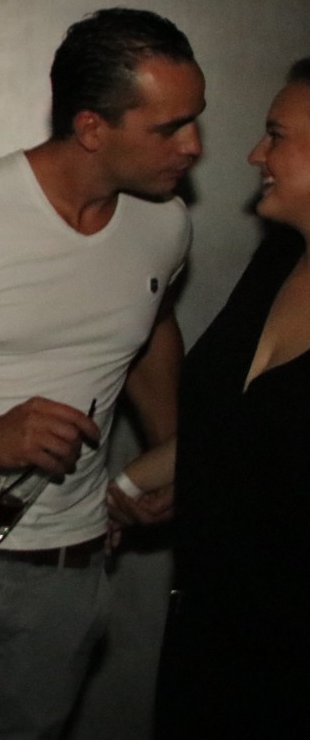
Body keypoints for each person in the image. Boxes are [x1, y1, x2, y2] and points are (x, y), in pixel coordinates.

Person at [0, 9, 202, 740]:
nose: (194, 146)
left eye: (195, 120)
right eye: (169, 128)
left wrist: (170, 453)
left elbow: (149, 327)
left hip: (68, 573)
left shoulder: (166, 224)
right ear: (91, 128)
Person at [132, 57, 310, 738]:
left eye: (277, 135)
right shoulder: (277, 261)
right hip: (213, 641)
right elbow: (235, 424)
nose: (255, 153)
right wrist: (123, 487)